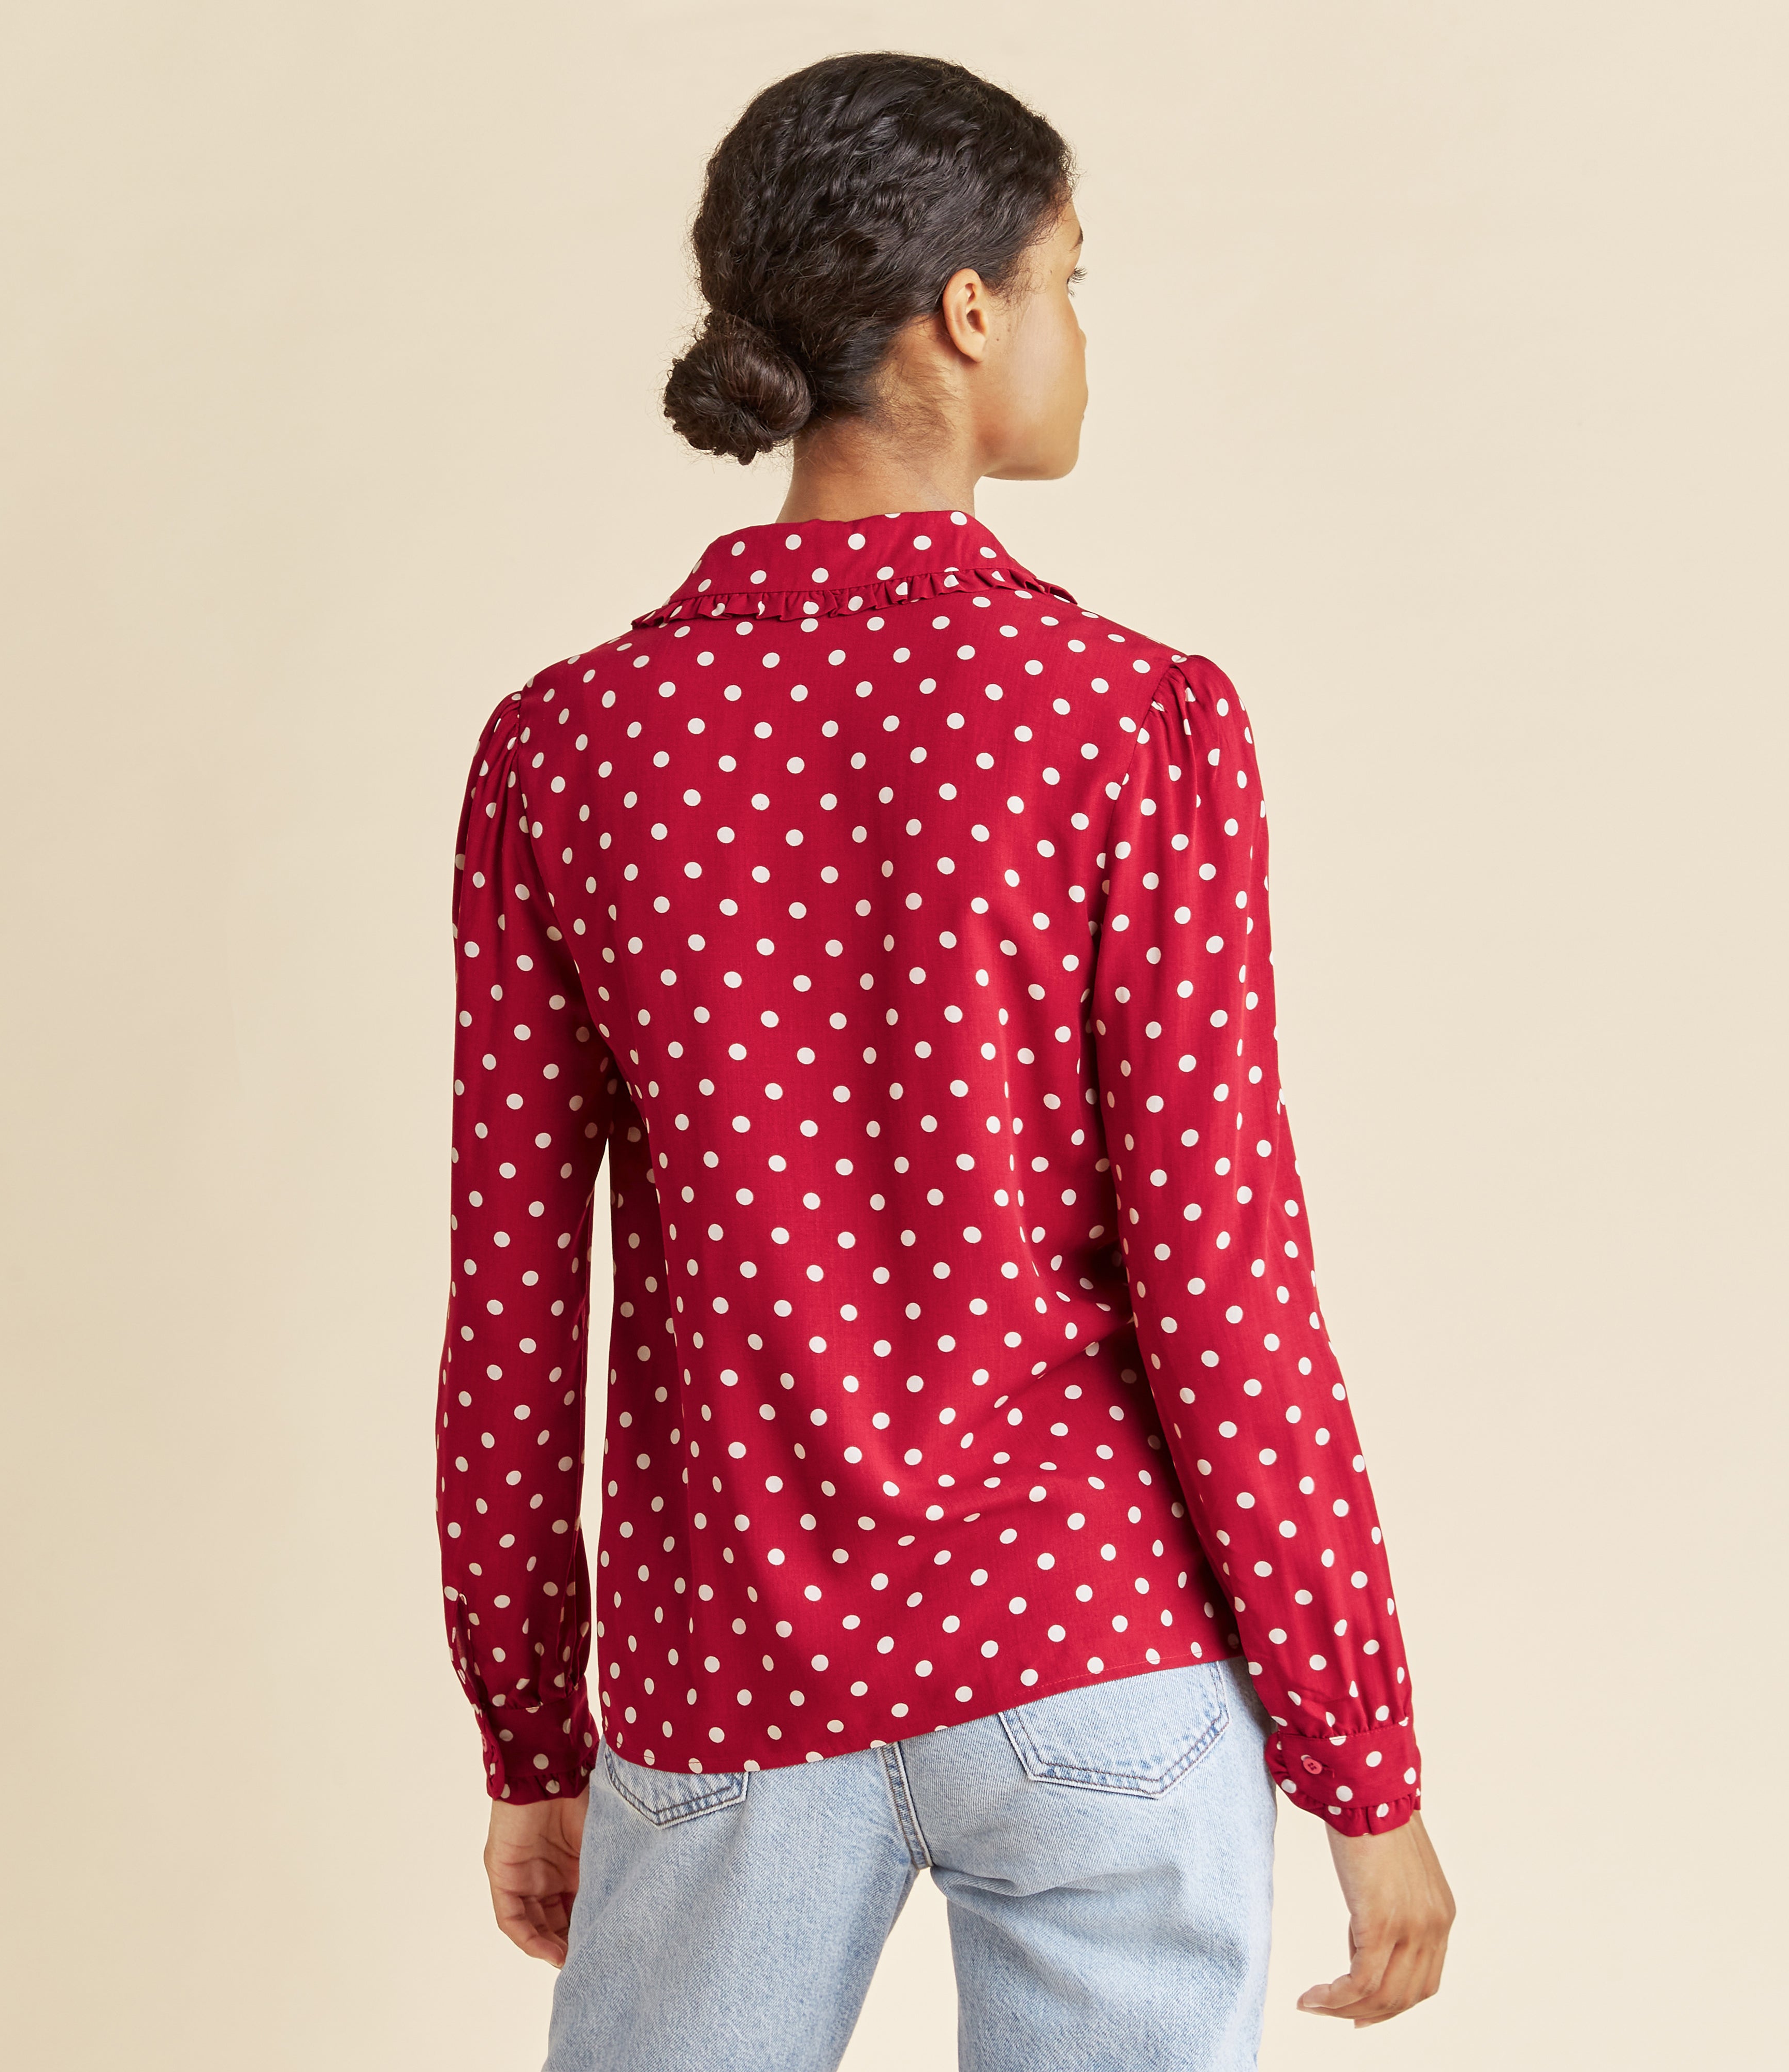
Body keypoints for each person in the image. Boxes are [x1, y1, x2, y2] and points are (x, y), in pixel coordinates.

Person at [436, 51, 1454, 2070]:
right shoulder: (1127, 722)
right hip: (1092, 1646)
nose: (1079, 336)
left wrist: (532, 1729)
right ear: (968, 311)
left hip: (731, 1667)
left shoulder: (571, 750)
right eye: (1070, 282)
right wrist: (1364, 1756)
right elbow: (1221, 1275)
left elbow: (512, 1299)